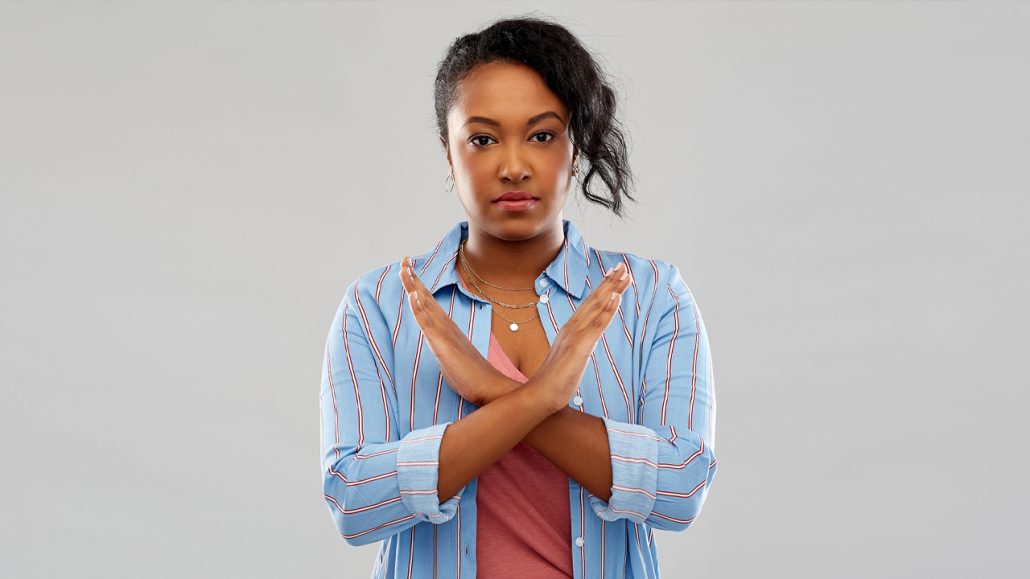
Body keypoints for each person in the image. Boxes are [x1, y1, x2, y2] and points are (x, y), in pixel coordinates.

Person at [319, 15, 717, 578]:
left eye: (541, 135)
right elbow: (352, 503)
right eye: (482, 139)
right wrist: (535, 398)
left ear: (574, 147)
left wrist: (491, 391)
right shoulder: (380, 305)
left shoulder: (649, 297)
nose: (512, 166)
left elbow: (682, 489)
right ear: (448, 152)